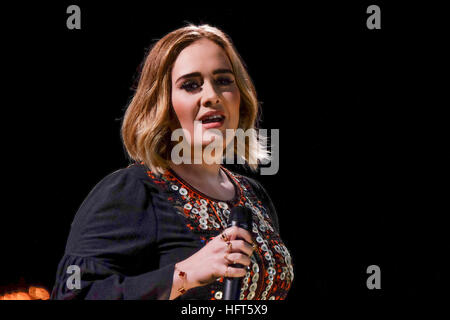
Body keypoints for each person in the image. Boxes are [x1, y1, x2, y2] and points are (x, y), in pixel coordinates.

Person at [50, 24, 293, 300]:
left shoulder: (254, 196)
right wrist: (184, 275)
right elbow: (72, 294)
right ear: (162, 105)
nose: (211, 95)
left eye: (224, 80)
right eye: (191, 85)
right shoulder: (133, 191)